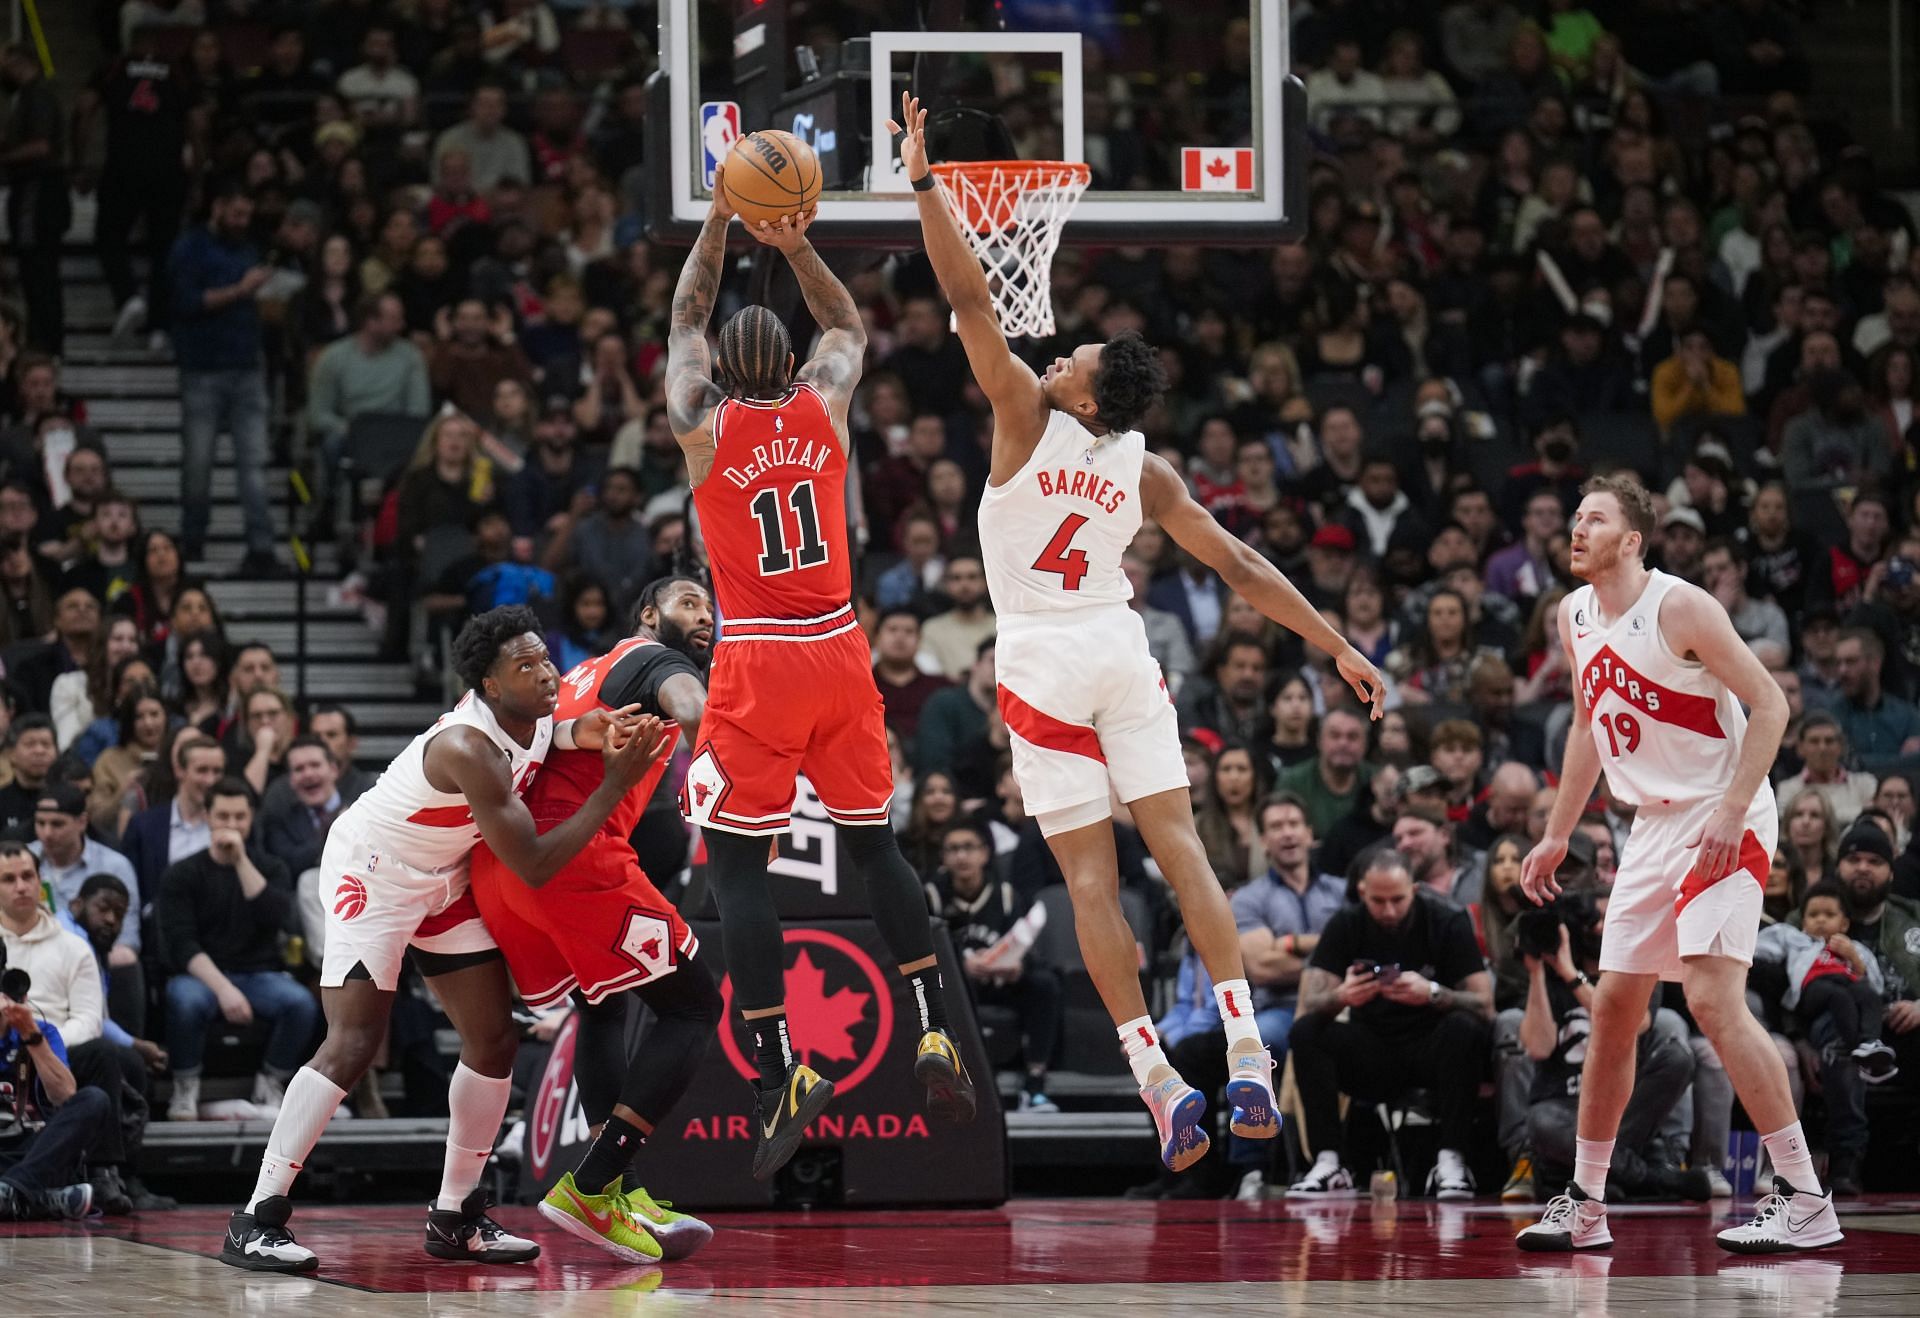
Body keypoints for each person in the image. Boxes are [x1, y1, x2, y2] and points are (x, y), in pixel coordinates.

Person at [898, 89, 1385, 1174]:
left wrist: (926, 183)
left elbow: (968, 298)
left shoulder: (1022, 415)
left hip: (1037, 658)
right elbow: (1245, 568)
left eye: (1071, 354)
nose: (1060, 349)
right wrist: (1339, 646)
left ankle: (1156, 1076)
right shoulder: (1148, 468)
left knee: (1088, 882)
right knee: (1184, 852)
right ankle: (1248, 1052)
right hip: (1121, 650)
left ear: (1080, 392)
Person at [666, 165, 975, 1182]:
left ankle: (779, 1066)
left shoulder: (703, 427)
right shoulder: (828, 405)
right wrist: (795, 241)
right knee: (874, 845)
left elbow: (685, 314)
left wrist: (721, 218)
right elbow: (848, 324)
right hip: (841, 648)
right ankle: (933, 1021)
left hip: (756, 658)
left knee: (739, 870)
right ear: (795, 362)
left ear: (720, 373)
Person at [218, 605, 670, 1273]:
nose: (548, 673)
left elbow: (549, 734)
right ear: (489, 685)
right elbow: (537, 862)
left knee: (493, 1037)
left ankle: (455, 1214)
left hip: (440, 874)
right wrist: (614, 784)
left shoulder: (529, 710)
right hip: (373, 872)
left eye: (546, 658)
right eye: (528, 666)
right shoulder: (467, 747)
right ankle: (256, 1217)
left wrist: (588, 731)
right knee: (353, 1041)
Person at [1516, 474, 1839, 1254]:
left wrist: (1732, 809)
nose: (1576, 530)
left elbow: (1771, 704)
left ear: (1632, 539)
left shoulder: (1681, 606)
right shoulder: (1573, 614)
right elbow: (1592, 725)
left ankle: (1803, 1198)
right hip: (1650, 828)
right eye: (1574, 520)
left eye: (1593, 520)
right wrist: (1560, 831)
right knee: (1617, 1011)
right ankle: (1586, 1207)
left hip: (1722, 810)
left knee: (1709, 997)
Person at [471, 575, 720, 1263]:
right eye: (688, 604)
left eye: (709, 607)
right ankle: (591, 1183)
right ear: (648, 615)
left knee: (604, 1008)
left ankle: (619, 1190)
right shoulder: (654, 661)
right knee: (696, 1005)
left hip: (509, 860)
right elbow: (693, 707)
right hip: (571, 855)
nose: (704, 616)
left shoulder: (585, 670)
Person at [1285, 848, 1495, 1199]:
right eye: (1378, 901)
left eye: (1397, 899)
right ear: (1363, 891)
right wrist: (1344, 996)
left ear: (1414, 889)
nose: (1388, 910)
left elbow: (1484, 1004)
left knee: (1465, 1028)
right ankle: (1329, 1161)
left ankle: (1452, 1160)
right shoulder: (1346, 923)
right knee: (1306, 1031)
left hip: (1433, 1049)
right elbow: (1311, 1003)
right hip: (1373, 1051)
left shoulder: (1447, 920)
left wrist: (1431, 992)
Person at [155, 778, 315, 1120]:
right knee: (184, 1000)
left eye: (239, 817)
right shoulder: (182, 873)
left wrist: (241, 860)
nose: (231, 825)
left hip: (258, 973)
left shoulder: (270, 867)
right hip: (202, 975)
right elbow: (181, 944)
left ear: (251, 818)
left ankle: (271, 1082)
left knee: (301, 1004)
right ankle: (185, 1087)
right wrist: (224, 989)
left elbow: (275, 916)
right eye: (223, 816)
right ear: (208, 817)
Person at [166, 179, 278, 573]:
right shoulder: (191, 247)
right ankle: (192, 539)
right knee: (198, 462)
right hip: (203, 370)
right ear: (218, 208)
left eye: (247, 215)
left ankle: (261, 547)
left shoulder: (249, 248)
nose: (242, 221)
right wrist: (240, 290)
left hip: (247, 367)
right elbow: (186, 301)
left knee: (255, 463)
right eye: (236, 213)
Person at [926, 818, 1064, 1113]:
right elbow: (924, 951)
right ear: (943, 858)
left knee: (1044, 984)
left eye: (968, 848)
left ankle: (1035, 1084)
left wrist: (1017, 965)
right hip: (956, 988)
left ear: (985, 854)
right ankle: (958, 1082)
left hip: (1000, 981)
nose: (962, 856)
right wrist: (959, 967)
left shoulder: (1005, 895)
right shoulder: (931, 896)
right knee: (945, 988)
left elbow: (1025, 942)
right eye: (953, 849)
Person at [1756, 880, 1895, 1084]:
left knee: (1866, 993)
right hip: (1811, 989)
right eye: (1813, 915)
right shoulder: (1796, 940)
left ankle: (1870, 1044)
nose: (1820, 920)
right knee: (1838, 997)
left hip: (1847, 982)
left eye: (1829, 915)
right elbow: (1763, 947)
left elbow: (1876, 984)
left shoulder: (1853, 947)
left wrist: (1853, 957)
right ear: (1803, 922)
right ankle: (1856, 1051)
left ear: (1844, 924)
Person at [0, 44, 69, 356]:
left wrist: (5, 156)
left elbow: (41, 147)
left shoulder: (36, 96)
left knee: (37, 270)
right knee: (36, 271)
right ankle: (46, 341)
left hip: (37, 189)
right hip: (38, 191)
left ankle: (47, 343)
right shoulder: (30, 97)